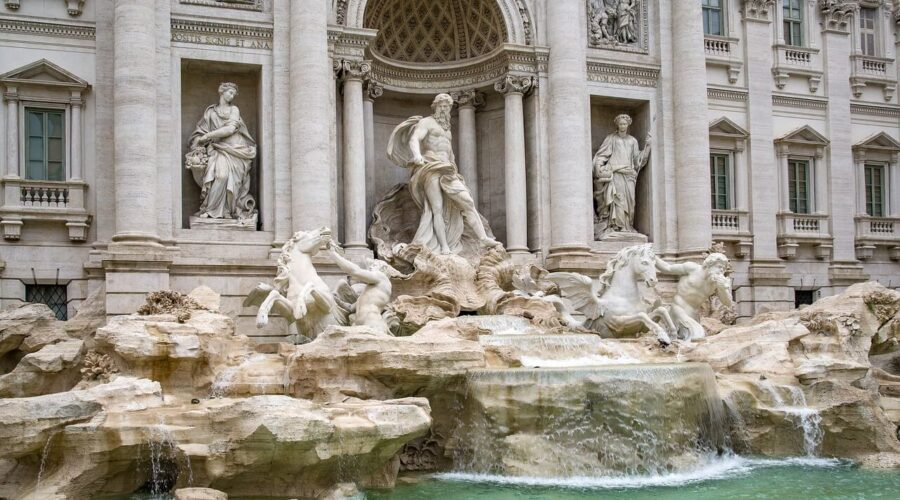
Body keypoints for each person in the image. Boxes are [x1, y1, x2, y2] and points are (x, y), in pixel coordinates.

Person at [386, 93, 499, 254]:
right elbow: (414, 139)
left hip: (448, 169)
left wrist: (454, 169)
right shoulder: (426, 122)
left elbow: (449, 152)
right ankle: (444, 247)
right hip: (430, 166)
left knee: (467, 201)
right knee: (436, 208)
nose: (444, 108)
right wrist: (417, 155)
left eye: (447, 106)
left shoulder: (447, 129)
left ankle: (483, 238)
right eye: (441, 105)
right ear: (435, 106)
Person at [187, 82, 257, 220]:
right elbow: (200, 132)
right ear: (222, 92)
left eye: (233, 94)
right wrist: (199, 139)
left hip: (236, 151)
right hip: (218, 149)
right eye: (230, 92)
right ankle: (211, 210)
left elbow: (230, 129)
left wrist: (207, 136)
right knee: (221, 176)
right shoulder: (211, 112)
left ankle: (228, 211)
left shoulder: (234, 110)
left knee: (232, 181)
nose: (232, 96)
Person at [592, 113, 650, 236]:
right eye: (620, 124)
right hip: (617, 173)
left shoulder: (632, 141)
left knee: (631, 202)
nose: (622, 126)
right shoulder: (611, 138)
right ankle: (617, 227)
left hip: (629, 175)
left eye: (625, 124)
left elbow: (638, 160)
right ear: (617, 125)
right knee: (619, 200)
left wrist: (648, 146)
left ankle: (628, 226)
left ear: (628, 125)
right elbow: (602, 155)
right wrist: (599, 167)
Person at [655, 253, 735, 341]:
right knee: (697, 335)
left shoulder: (715, 283)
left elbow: (728, 303)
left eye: (723, 269)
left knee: (686, 340)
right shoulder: (692, 268)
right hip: (678, 309)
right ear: (709, 264)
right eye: (719, 267)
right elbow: (667, 268)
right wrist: (652, 256)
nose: (721, 271)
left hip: (694, 316)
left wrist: (723, 288)